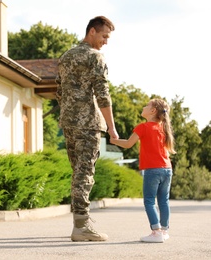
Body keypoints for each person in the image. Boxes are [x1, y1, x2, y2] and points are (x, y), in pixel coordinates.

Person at [56, 16, 119, 242]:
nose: (106, 41)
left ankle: (79, 222)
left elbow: (60, 92)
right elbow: (103, 93)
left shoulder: (66, 57)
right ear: (92, 31)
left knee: (77, 173)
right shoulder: (95, 57)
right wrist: (112, 128)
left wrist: (68, 115)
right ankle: (81, 226)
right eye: (104, 36)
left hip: (69, 123)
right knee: (85, 174)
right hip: (89, 123)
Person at [110, 98, 176, 243]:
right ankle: (164, 231)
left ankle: (156, 231)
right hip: (167, 169)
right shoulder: (163, 128)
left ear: (152, 111)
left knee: (149, 201)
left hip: (153, 170)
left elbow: (128, 144)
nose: (144, 107)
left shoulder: (143, 127)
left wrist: (114, 140)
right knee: (164, 201)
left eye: (147, 106)